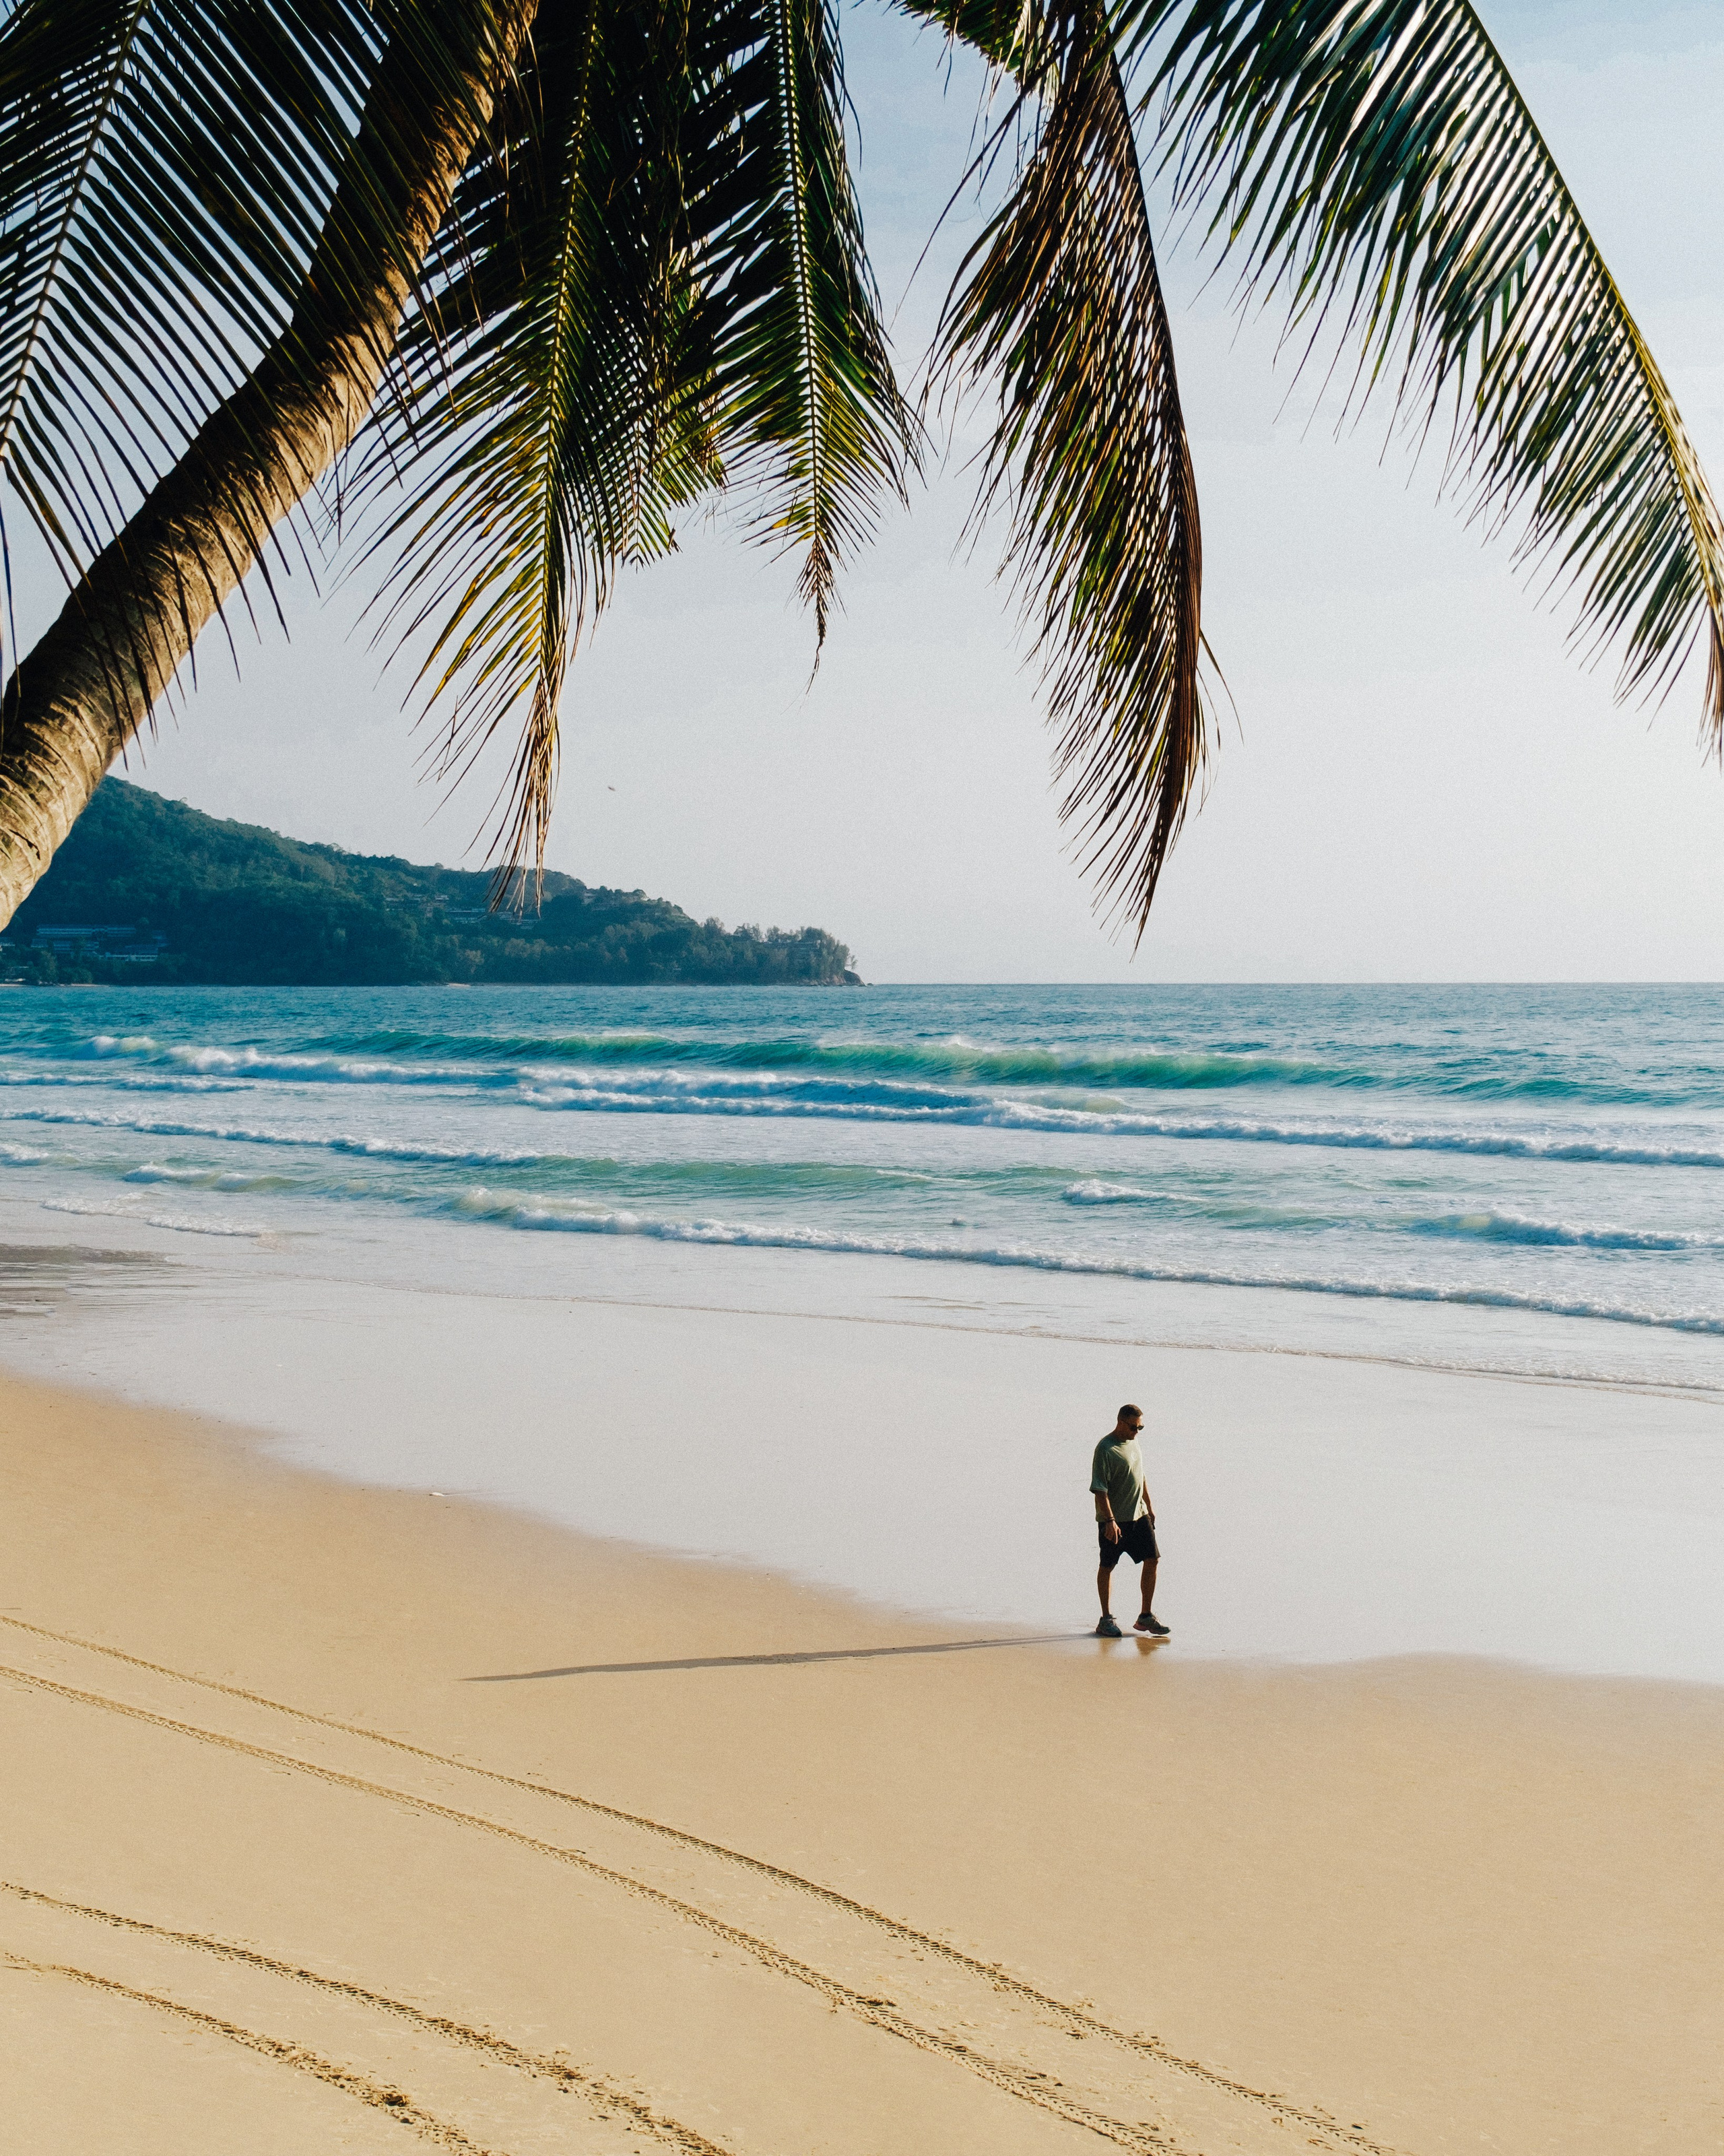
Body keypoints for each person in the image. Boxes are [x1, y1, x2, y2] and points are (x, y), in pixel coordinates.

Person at [1090, 1403, 1168, 1638]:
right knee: (1107, 1566)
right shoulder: (1105, 1449)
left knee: (1152, 1559)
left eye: (1141, 1427)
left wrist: (1150, 1506)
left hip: (1139, 1515)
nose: (1137, 1432)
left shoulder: (1134, 1443)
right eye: (1134, 1427)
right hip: (1114, 1520)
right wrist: (1110, 1521)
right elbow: (1100, 1489)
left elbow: (1140, 1475)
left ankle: (1145, 1616)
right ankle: (1105, 1619)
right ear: (1121, 1422)